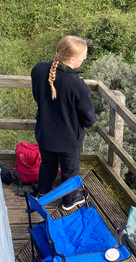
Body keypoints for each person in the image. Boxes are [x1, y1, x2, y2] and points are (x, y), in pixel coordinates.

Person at [31, 35, 96, 210]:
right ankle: (70, 201)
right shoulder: (78, 86)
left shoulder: (39, 69)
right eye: (84, 55)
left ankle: (42, 192)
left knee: (47, 164)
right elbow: (89, 119)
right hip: (68, 139)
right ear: (73, 59)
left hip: (44, 132)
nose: (85, 58)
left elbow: (37, 96)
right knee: (69, 170)